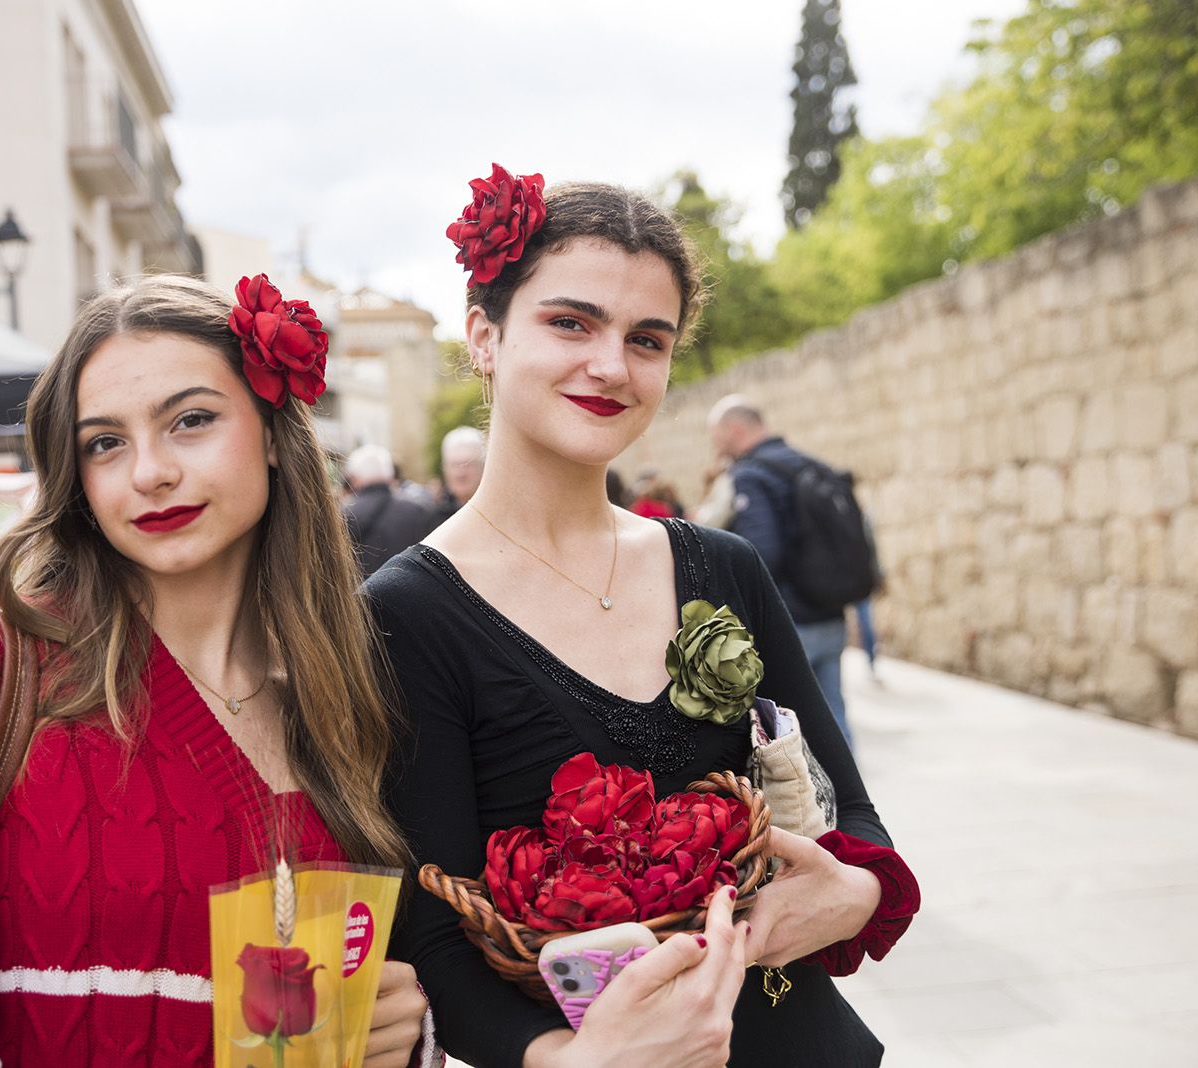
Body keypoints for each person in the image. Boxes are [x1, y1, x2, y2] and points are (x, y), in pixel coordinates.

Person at [0, 275, 432, 1067]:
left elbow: (315, 1025)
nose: (149, 472)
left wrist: (398, 1038)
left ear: (274, 434)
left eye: (191, 421)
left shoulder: (349, 698)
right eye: (105, 442)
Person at [368, 167, 916, 1067]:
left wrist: (852, 890)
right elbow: (429, 942)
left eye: (647, 339)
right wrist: (565, 1061)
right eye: (570, 322)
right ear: (484, 335)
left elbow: (845, 812)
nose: (611, 366)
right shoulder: (405, 616)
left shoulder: (723, 568)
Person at [707, 395, 855, 745]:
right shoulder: (807, 463)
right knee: (834, 719)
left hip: (792, 623)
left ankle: (816, 801)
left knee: (787, 731)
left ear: (734, 429)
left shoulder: (752, 474)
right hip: (830, 613)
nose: (713, 444)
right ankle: (851, 798)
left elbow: (761, 553)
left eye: (715, 435)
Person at [344, 443, 441, 578]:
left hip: (361, 596)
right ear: (390, 476)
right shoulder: (419, 511)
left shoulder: (344, 516)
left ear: (353, 479)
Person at [436, 425, 487, 516]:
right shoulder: (431, 520)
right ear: (444, 469)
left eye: (468, 465)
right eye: (454, 465)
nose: (460, 473)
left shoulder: (500, 514)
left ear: (483, 467)